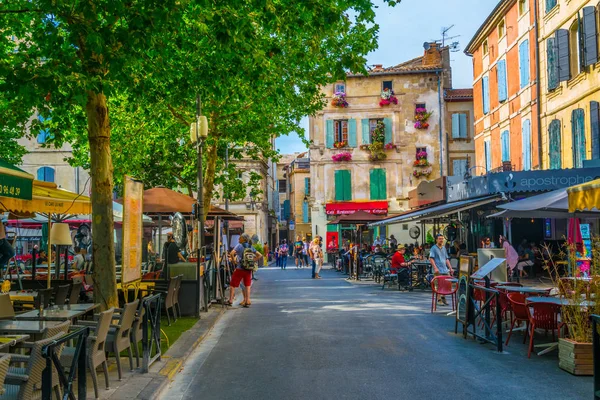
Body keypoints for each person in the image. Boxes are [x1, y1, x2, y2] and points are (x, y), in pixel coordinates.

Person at [227, 233, 262, 307]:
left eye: (240, 238)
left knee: (232, 284)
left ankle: (230, 300)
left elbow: (232, 253)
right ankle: (247, 301)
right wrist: (253, 260)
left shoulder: (239, 245)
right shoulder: (250, 246)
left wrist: (234, 261)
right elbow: (260, 255)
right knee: (247, 285)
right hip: (248, 269)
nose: (238, 239)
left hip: (240, 268)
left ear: (243, 239)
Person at [429, 234, 454, 306]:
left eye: (442, 239)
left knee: (447, 283)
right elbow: (431, 258)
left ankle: (443, 297)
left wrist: (450, 268)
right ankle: (439, 299)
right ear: (436, 240)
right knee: (438, 284)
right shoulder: (433, 248)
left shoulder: (444, 248)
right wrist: (435, 267)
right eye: (440, 239)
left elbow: (446, 259)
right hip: (438, 269)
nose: (441, 240)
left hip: (444, 269)